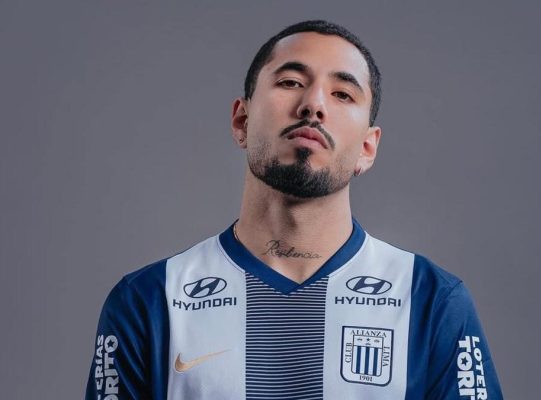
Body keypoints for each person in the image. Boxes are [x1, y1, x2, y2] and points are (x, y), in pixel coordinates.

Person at [86, 20, 503, 400]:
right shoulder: (149, 300)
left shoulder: (431, 301)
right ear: (241, 121)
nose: (313, 104)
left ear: (367, 147)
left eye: (342, 94)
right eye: (290, 82)